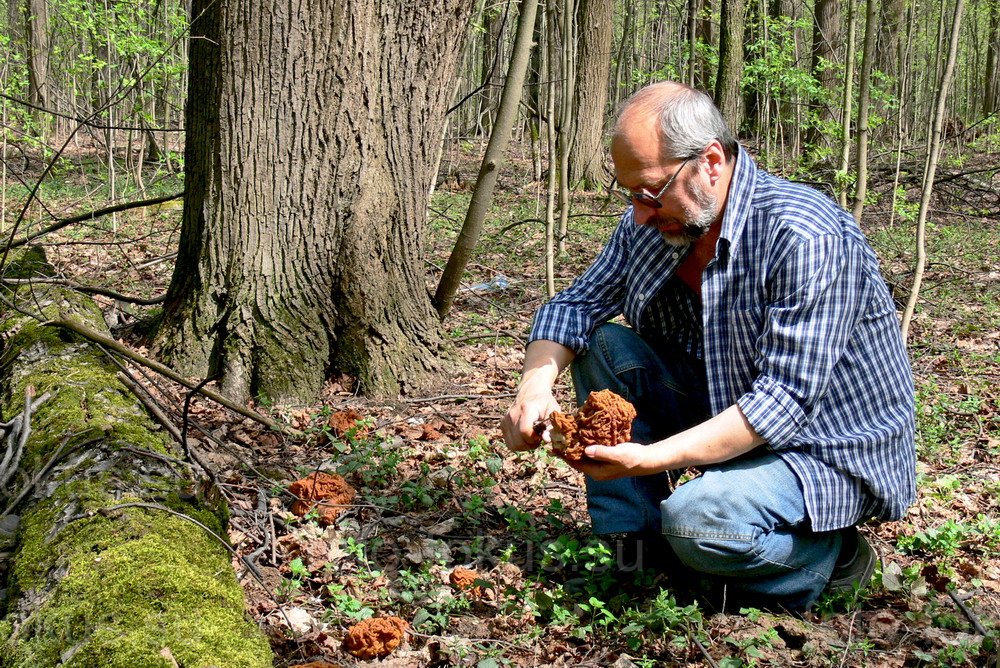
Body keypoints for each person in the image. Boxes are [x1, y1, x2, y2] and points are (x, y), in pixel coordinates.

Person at [500, 81, 916, 612]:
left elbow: (781, 402)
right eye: (630, 194)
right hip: (724, 401)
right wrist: (533, 387)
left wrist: (650, 459)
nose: (641, 212)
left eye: (650, 192)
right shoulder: (655, 221)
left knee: (698, 523)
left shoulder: (803, 234)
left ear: (710, 161)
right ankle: (635, 549)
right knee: (602, 344)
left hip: (823, 446)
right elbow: (575, 307)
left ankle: (832, 557)